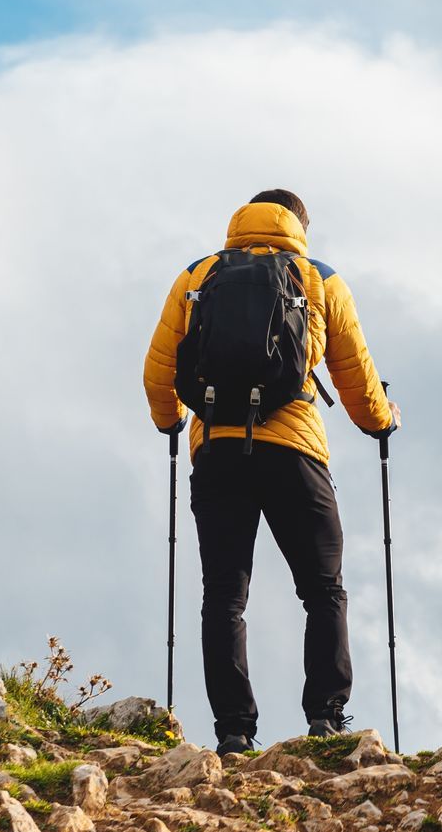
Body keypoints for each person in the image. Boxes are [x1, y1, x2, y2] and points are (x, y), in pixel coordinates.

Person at [144, 190, 399, 755]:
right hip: (295, 453)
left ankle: (235, 731)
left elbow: (157, 371)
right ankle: (327, 718)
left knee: (224, 597)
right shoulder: (318, 277)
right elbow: (355, 374)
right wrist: (383, 423)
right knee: (323, 590)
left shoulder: (197, 275)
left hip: (217, 452)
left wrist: (172, 421)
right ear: (301, 227)